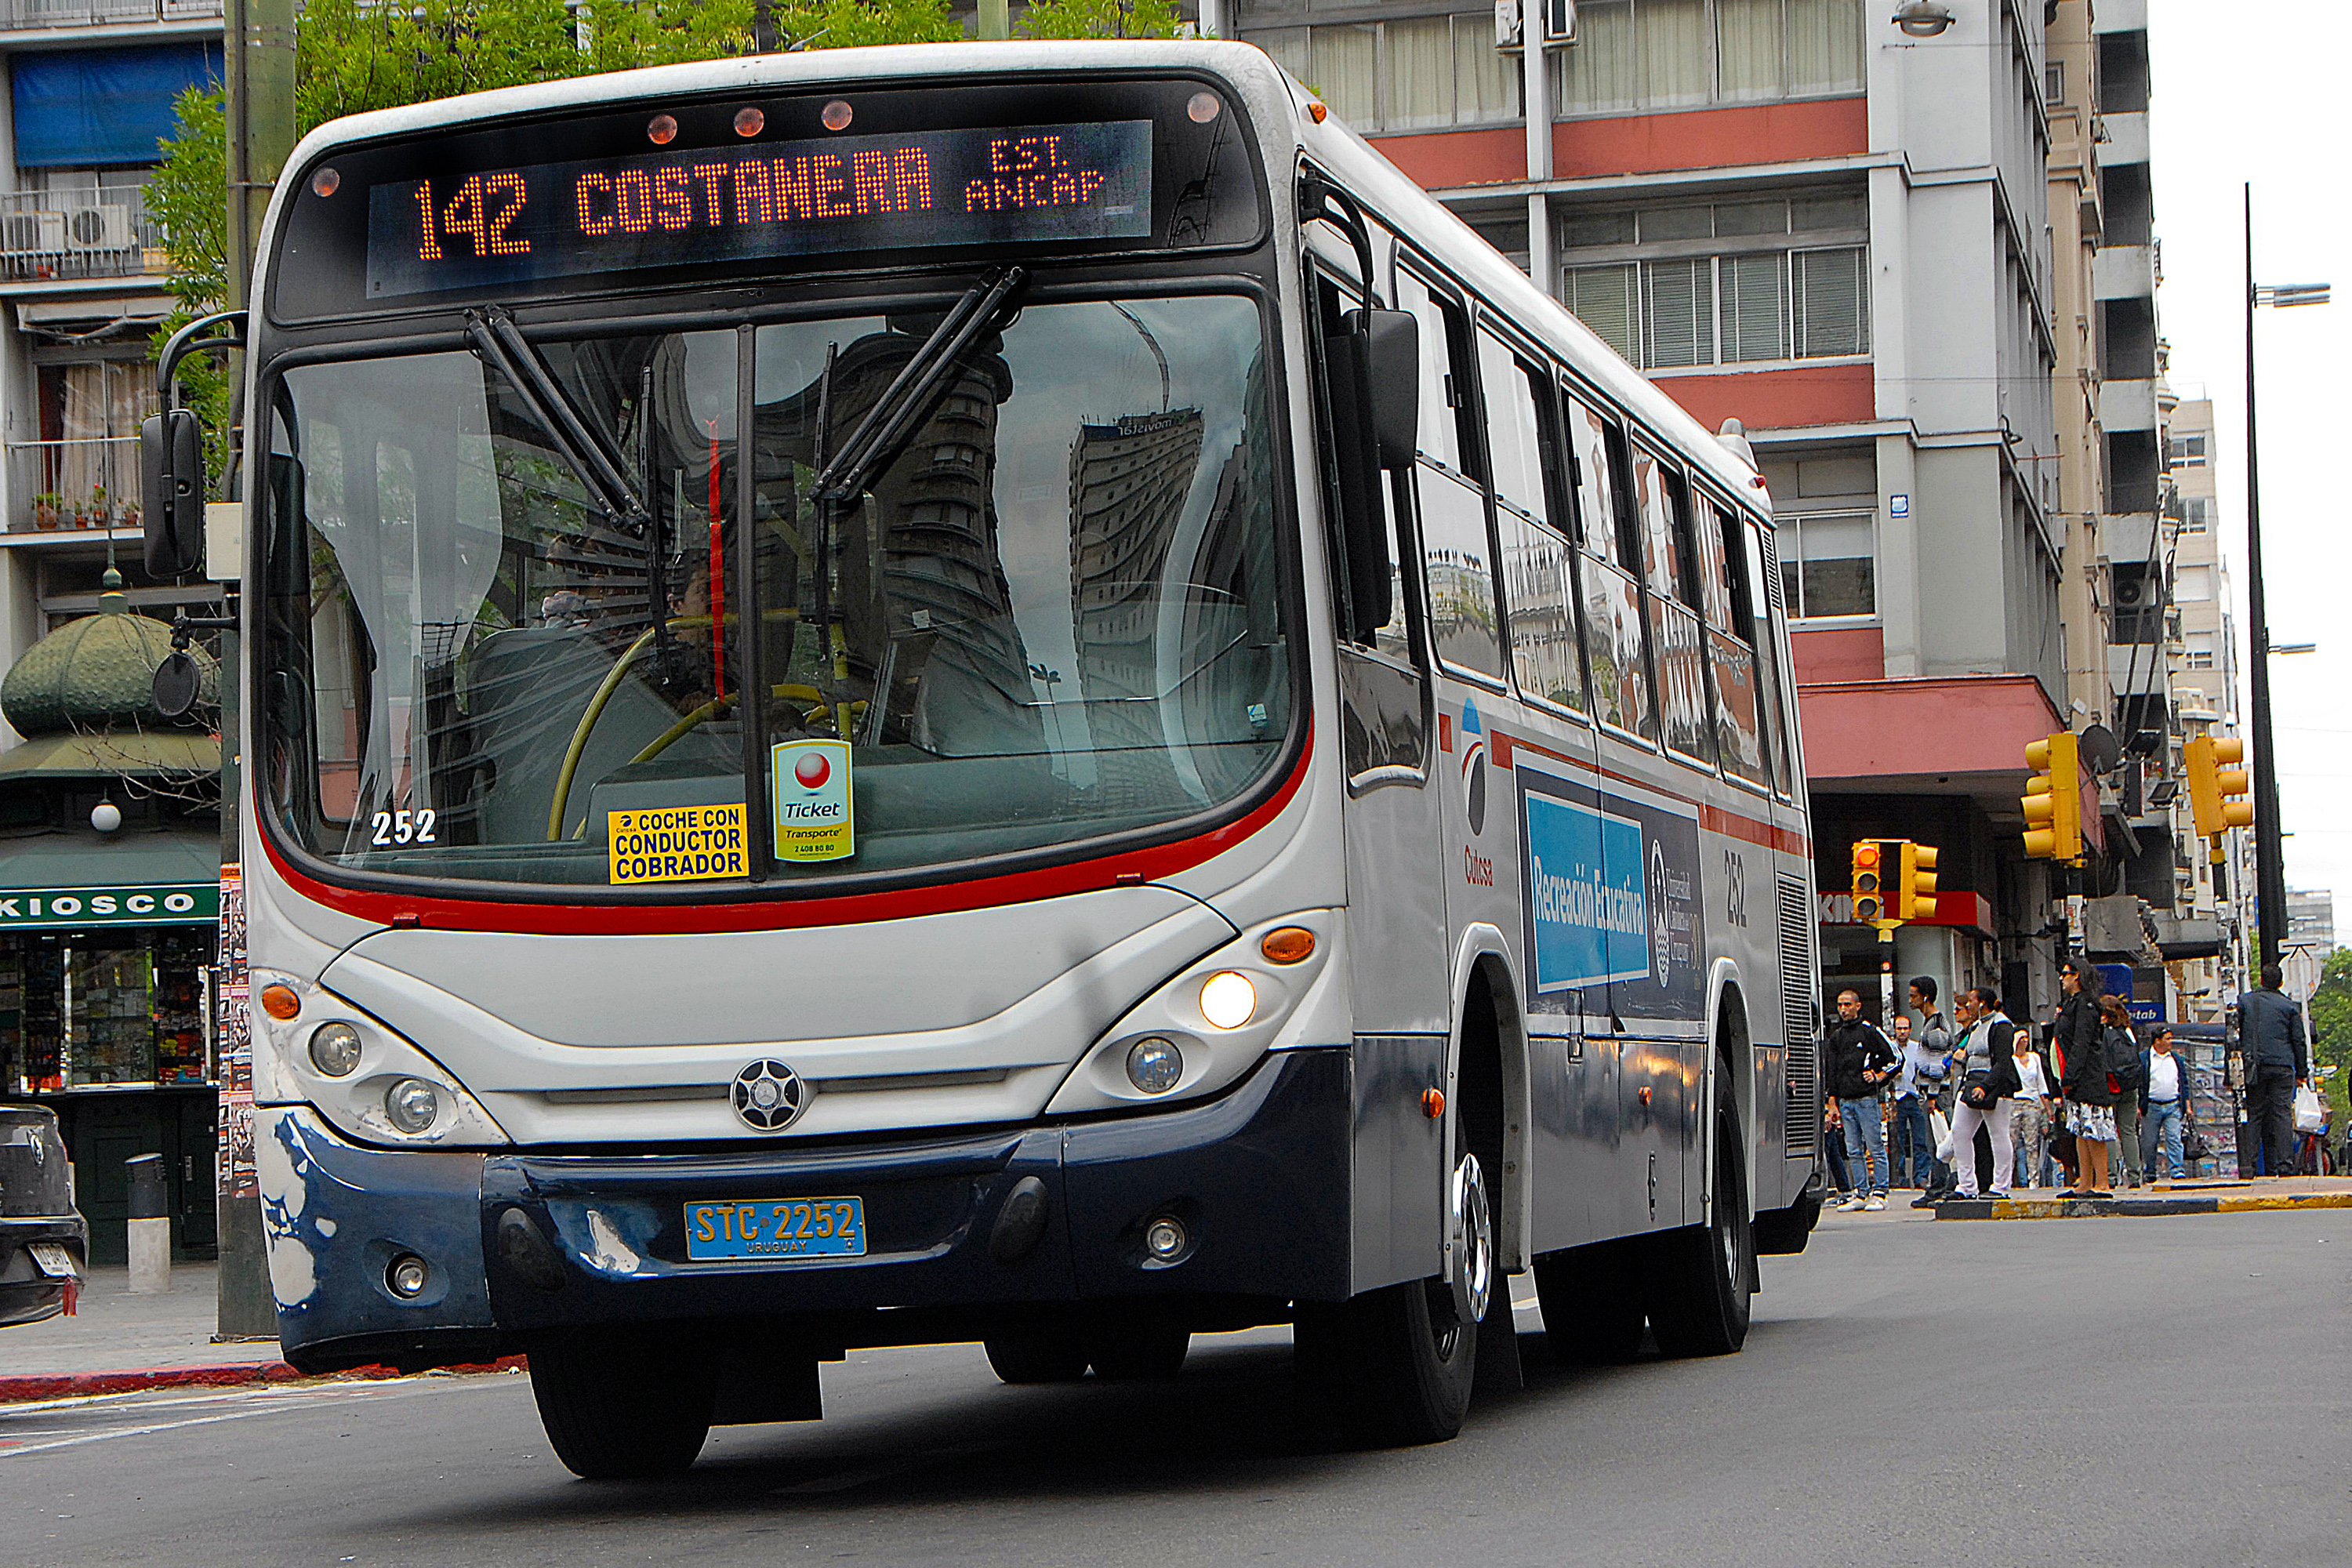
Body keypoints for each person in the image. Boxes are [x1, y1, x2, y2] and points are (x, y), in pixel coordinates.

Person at [2234, 964, 2314, 1178]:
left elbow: (2235, 1034)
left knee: (2255, 1114)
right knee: (2281, 1115)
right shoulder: (2289, 1007)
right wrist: (2302, 1072)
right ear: (2280, 982)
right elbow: (2299, 1040)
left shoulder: (2246, 1002)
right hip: (2282, 1066)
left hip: (2255, 1066)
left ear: (2261, 980)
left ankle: (2249, 1166)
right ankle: (2284, 1165)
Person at [1825, 989, 1899, 1210]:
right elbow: (1833, 1070)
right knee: (1853, 1148)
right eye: (1840, 1005)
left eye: (1848, 1004)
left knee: (1874, 1145)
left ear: (1858, 1006)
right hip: (1846, 1100)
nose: (1844, 1009)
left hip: (1866, 1098)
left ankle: (1880, 1192)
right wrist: (1832, 1101)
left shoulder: (1869, 1031)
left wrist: (1879, 1075)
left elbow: (1895, 1057)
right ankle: (1861, 1192)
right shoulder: (1837, 1037)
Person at [1946, 985, 2020, 1200]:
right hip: (1971, 1083)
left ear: (1982, 1003)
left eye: (1970, 1001)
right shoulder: (1977, 1026)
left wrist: (1986, 1086)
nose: (1966, 1005)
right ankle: (1967, 1185)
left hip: (1995, 1086)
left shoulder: (2002, 1025)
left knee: (1998, 1134)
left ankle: (2002, 1185)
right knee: (1960, 1132)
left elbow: (2003, 1061)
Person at [2053, 957, 2115, 1196]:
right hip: (2074, 1074)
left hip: (2088, 1074)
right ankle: (2084, 1182)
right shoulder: (2072, 1004)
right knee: (2080, 1128)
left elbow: (2082, 1042)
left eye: (2065, 973)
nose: (2062, 978)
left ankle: (2102, 1182)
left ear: (2077, 975)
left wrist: (2071, 1075)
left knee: (2095, 1128)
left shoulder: (2087, 1005)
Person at [1891, 1012, 1944, 1191]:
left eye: (1905, 1029)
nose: (1902, 1032)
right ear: (1894, 1030)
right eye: (1899, 1029)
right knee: (1897, 1141)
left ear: (1910, 1030)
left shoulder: (1918, 1048)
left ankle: (1921, 1176)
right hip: (1896, 1097)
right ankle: (1900, 1177)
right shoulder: (1889, 1048)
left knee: (1920, 1140)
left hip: (1915, 1096)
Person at [2101, 996, 2146, 1189]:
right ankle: (2135, 1176)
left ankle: (2111, 1176)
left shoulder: (2102, 1032)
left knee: (2109, 1130)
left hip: (2110, 1085)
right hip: (2130, 1085)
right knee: (2129, 1131)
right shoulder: (2129, 1031)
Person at [2009, 1017, 2054, 1189]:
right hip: (2014, 1103)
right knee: (2011, 1144)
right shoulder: (2011, 1060)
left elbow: (2041, 1083)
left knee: (2032, 1143)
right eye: (2022, 1039)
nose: (2025, 1042)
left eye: (2027, 1038)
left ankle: (2033, 1180)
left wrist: (2047, 1108)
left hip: (2031, 1104)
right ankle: (2009, 1179)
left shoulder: (2034, 1058)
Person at [2140, 1026, 2190, 1181]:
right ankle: (2150, 1171)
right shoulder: (2145, 1059)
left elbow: (2184, 1082)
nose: (2171, 1042)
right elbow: (2139, 1082)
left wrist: (2187, 1105)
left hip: (2173, 1105)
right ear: (2157, 1041)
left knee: (2174, 1138)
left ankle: (2177, 1169)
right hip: (2152, 1106)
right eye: (2167, 1039)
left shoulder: (2175, 1059)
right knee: (2150, 1141)